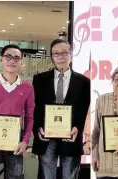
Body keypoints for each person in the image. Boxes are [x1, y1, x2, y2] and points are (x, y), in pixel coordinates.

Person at [32, 39, 90, 179]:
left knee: (69, 175)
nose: (60, 56)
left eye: (64, 53)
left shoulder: (84, 82)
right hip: (46, 135)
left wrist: (77, 127)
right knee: (47, 175)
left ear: (71, 55)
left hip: (70, 135)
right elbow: (36, 107)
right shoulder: (39, 79)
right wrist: (38, 127)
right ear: (51, 56)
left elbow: (82, 110)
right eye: (56, 53)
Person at [0, 44, 35, 179]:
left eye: (16, 58)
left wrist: (25, 141)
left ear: (22, 62)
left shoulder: (27, 87)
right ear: (1, 60)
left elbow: (30, 116)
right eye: (8, 57)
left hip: (16, 145)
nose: (12, 61)